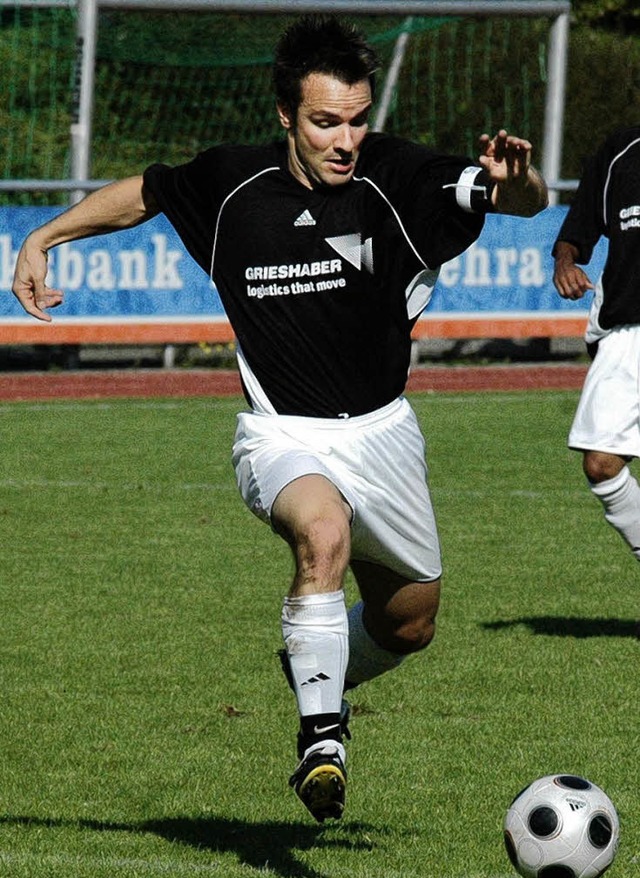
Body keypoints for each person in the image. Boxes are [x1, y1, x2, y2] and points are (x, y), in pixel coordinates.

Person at [12, 15, 548, 823]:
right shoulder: (231, 185)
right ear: (285, 118)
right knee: (322, 536)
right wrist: (46, 236)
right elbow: (144, 194)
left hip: (384, 432)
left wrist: (518, 180)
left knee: (410, 624)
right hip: (281, 434)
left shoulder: (396, 176)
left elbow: (510, 198)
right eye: (325, 122)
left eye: (357, 119)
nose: (345, 139)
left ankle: (313, 658)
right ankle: (322, 742)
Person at [553, 125, 640, 564]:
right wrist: (565, 261)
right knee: (601, 463)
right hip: (628, 330)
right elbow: (577, 228)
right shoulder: (620, 152)